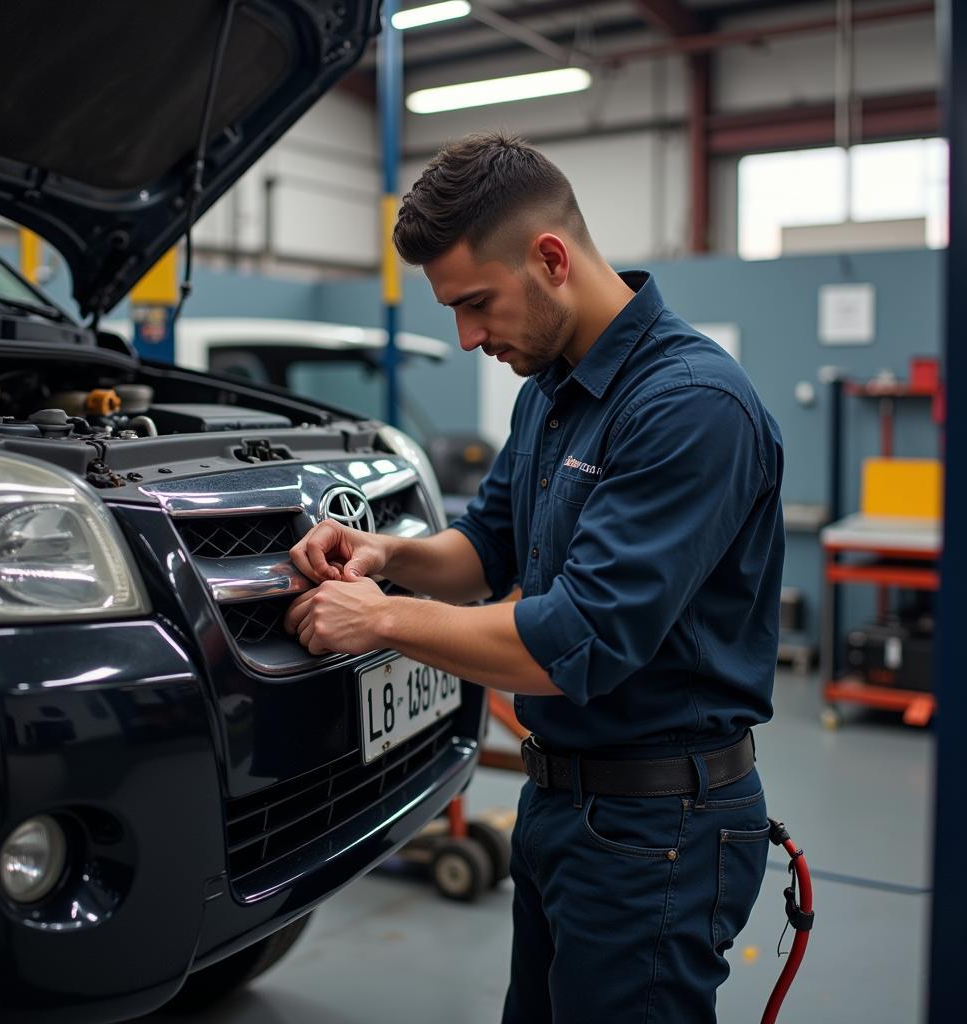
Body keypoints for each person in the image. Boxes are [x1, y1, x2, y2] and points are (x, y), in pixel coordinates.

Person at [285, 132, 785, 1024]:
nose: (468, 337)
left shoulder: (691, 406)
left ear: (550, 258)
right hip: (561, 810)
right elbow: (486, 547)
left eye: (476, 303)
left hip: (656, 831)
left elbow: (573, 644)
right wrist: (387, 558)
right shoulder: (548, 391)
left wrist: (381, 621)